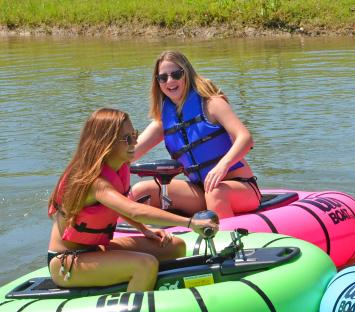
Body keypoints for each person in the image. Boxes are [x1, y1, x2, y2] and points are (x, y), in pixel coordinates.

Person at [47, 108, 219, 292]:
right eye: (127, 139)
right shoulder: (94, 181)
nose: (135, 142)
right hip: (67, 261)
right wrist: (190, 222)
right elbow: (133, 210)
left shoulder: (119, 169)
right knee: (145, 265)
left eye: (134, 135)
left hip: (96, 250)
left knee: (175, 247)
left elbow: (115, 209)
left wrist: (144, 229)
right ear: (107, 143)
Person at [130, 50, 261, 218]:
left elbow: (245, 138)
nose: (170, 81)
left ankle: (224, 239)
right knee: (140, 191)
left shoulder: (212, 104)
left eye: (176, 74)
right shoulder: (164, 121)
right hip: (200, 191)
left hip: (239, 187)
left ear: (187, 74)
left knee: (215, 192)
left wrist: (222, 166)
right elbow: (131, 153)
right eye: (163, 78)